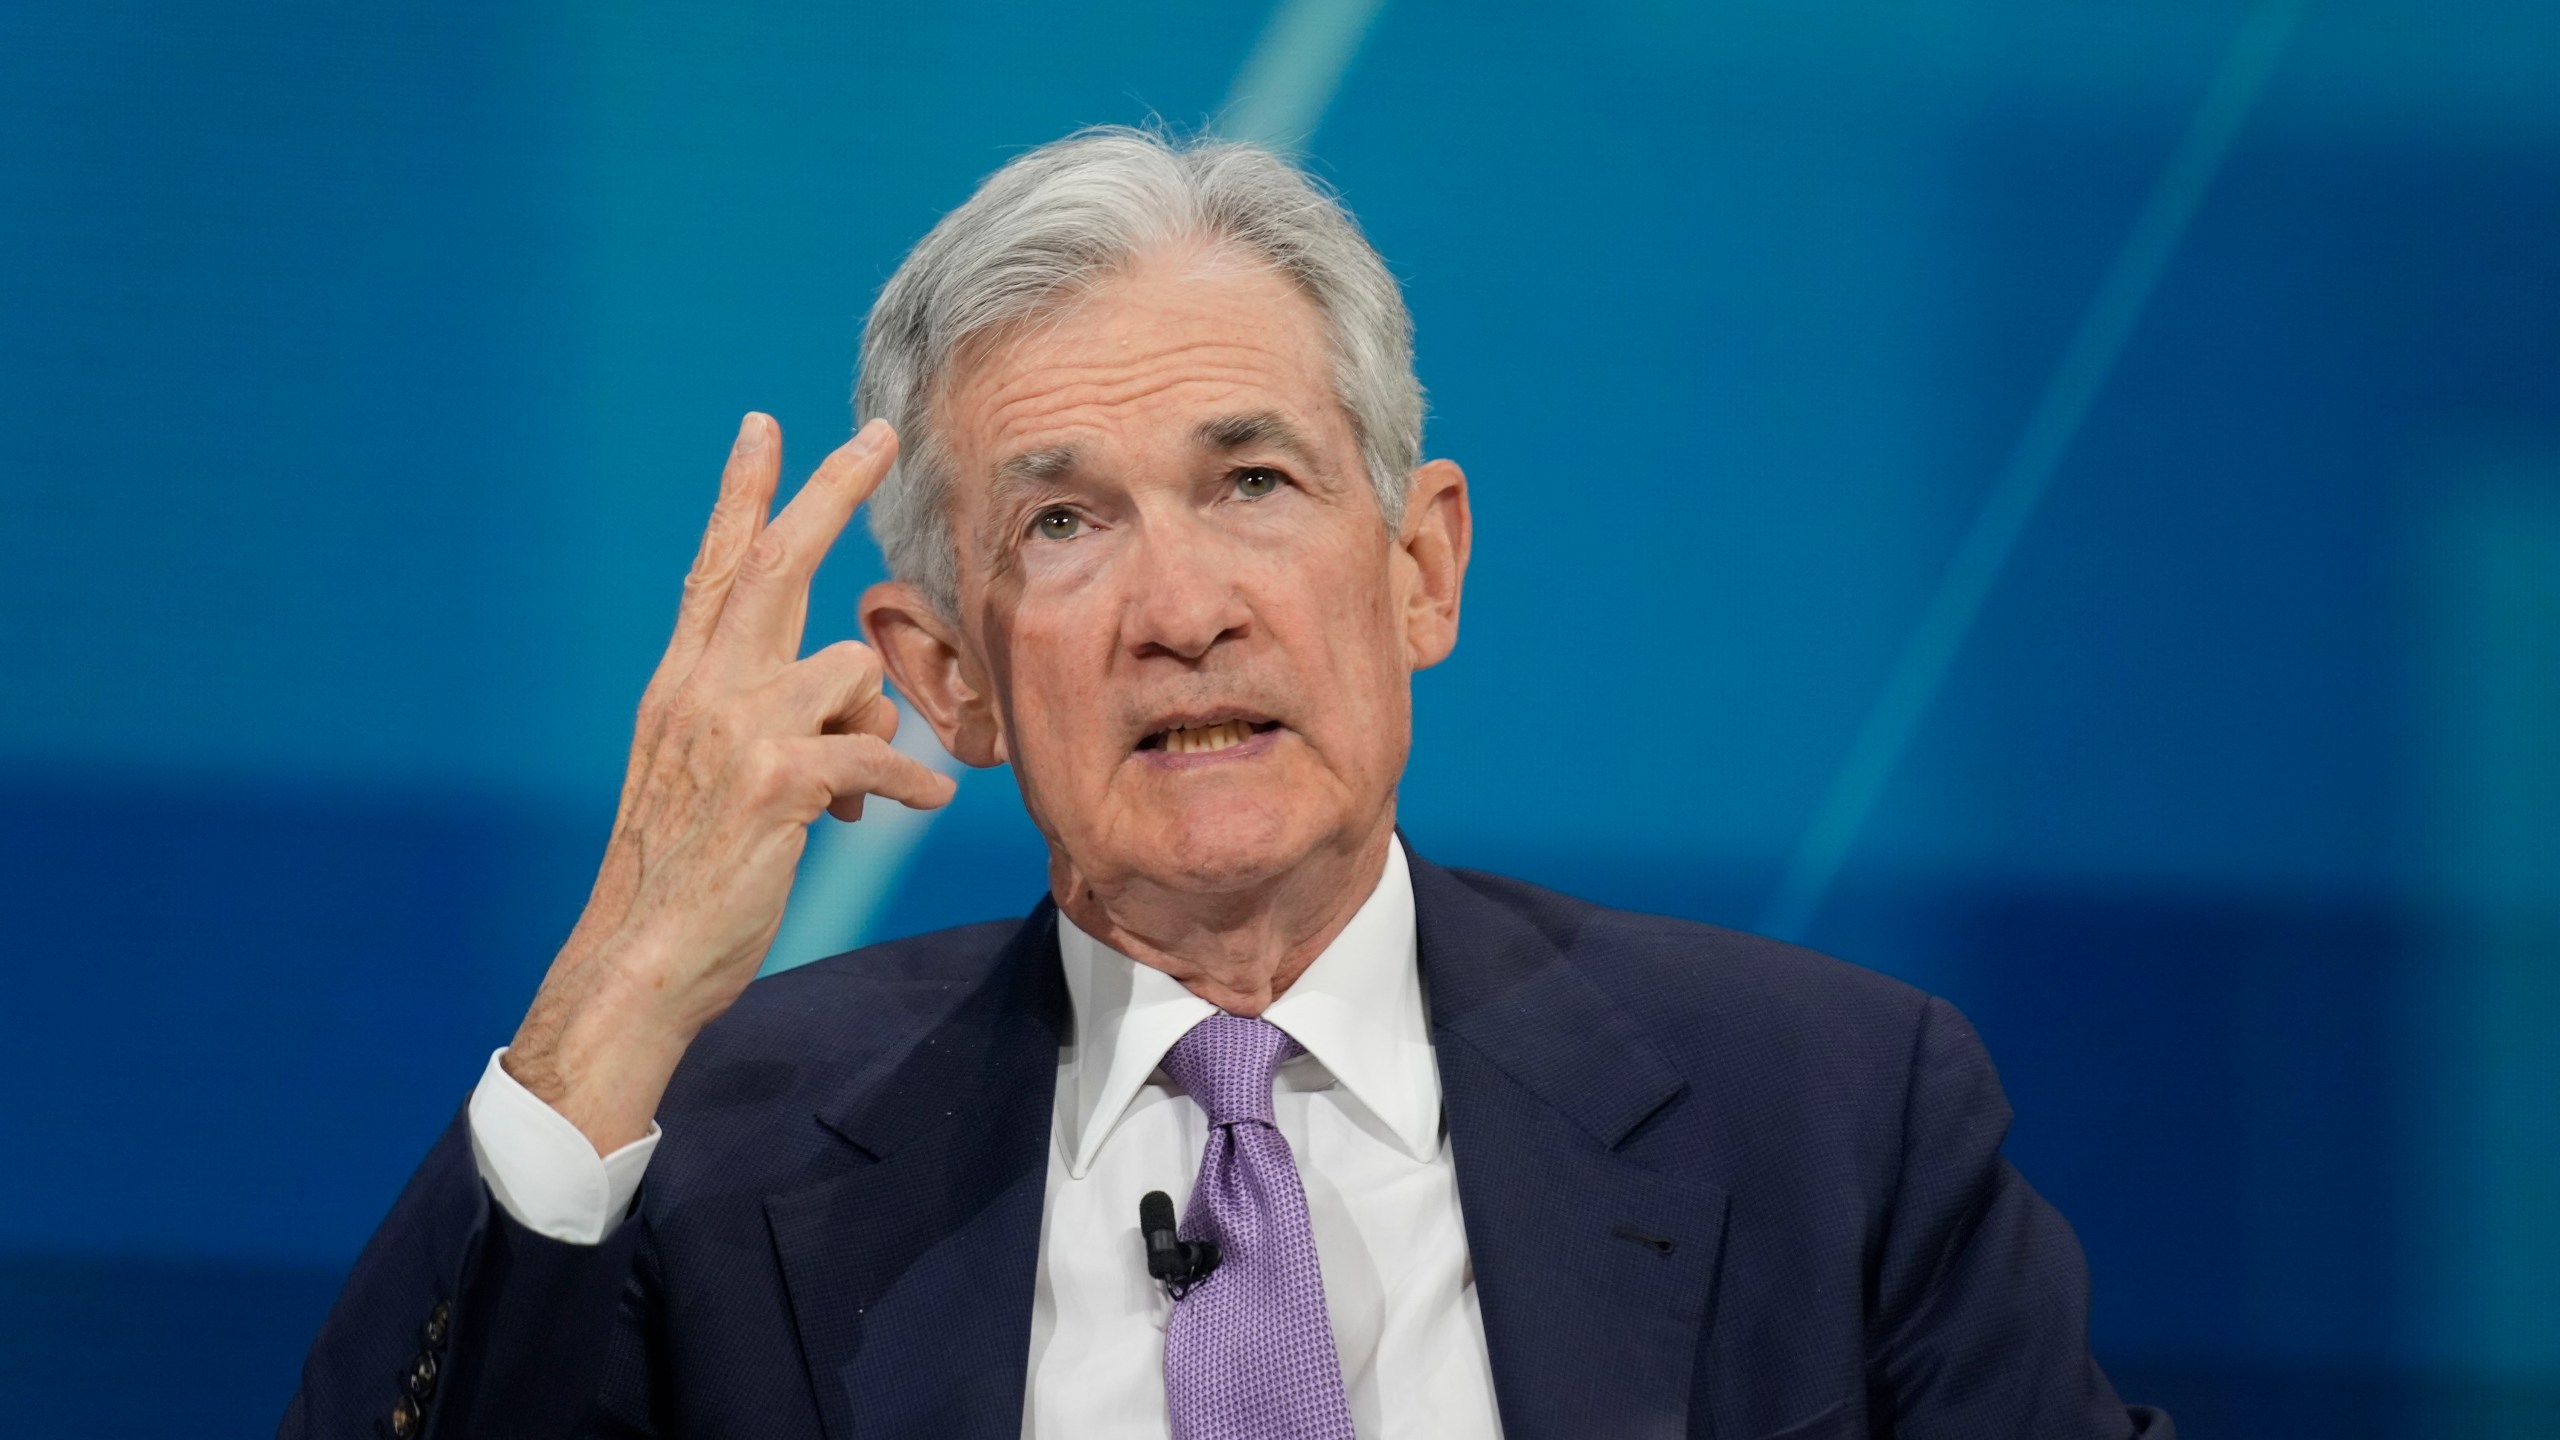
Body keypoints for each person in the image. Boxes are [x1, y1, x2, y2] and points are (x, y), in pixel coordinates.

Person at [283, 127, 2171, 1440]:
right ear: (950, 677)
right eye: (1066, 522)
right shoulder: (723, 1162)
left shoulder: (1831, 1118)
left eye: (1253, 482)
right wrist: (617, 989)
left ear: (1419, 567)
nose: (1181, 611)